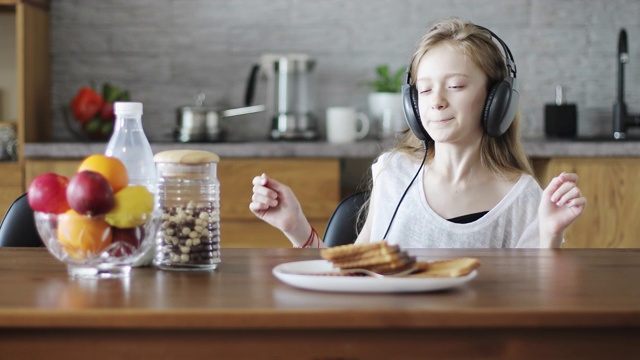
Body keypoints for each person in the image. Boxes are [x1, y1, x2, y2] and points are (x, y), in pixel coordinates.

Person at [249, 17, 586, 249]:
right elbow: (349, 279)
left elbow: (538, 302)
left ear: (497, 101)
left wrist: (550, 235)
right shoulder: (393, 173)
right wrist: (295, 227)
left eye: (455, 86)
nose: (437, 102)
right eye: (424, 91)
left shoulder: (522, 197)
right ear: (411, 103)